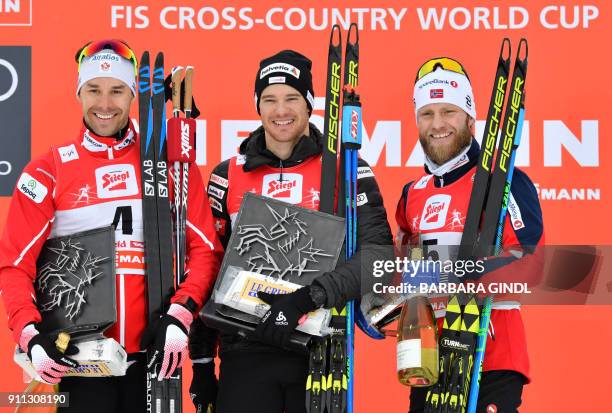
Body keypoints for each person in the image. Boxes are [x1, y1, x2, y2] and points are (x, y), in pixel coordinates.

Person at [0, 39, 222, 412]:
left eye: (117, 90)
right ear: (79, 93)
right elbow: (14, 265)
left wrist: (180, 316)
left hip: (151, 361)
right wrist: (30, 335)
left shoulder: (168, 163)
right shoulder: (48, 170)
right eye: (94, 90)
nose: (105, 104)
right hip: (79, 362)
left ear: (134, 94)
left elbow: (204, 250)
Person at [188, 50, 393, 413]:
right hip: (245, 350)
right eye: (269, 99)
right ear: (257, 106)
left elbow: (378, 256)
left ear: (310, 103)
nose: (280, 111)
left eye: (291, 98)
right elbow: (209, 265)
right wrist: (202, 362)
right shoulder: (227, 175)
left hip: (319, 354)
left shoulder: (345, 169)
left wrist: (306, 299)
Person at [395, 57, 544, 412]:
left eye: (449, 111)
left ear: (471, 119)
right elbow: (401, 268)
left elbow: (531, 265)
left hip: (490, 356)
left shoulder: (504, 181)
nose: (438, 124)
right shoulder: (412, 192)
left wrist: (460, 274)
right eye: (427, 114)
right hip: (428, 359)